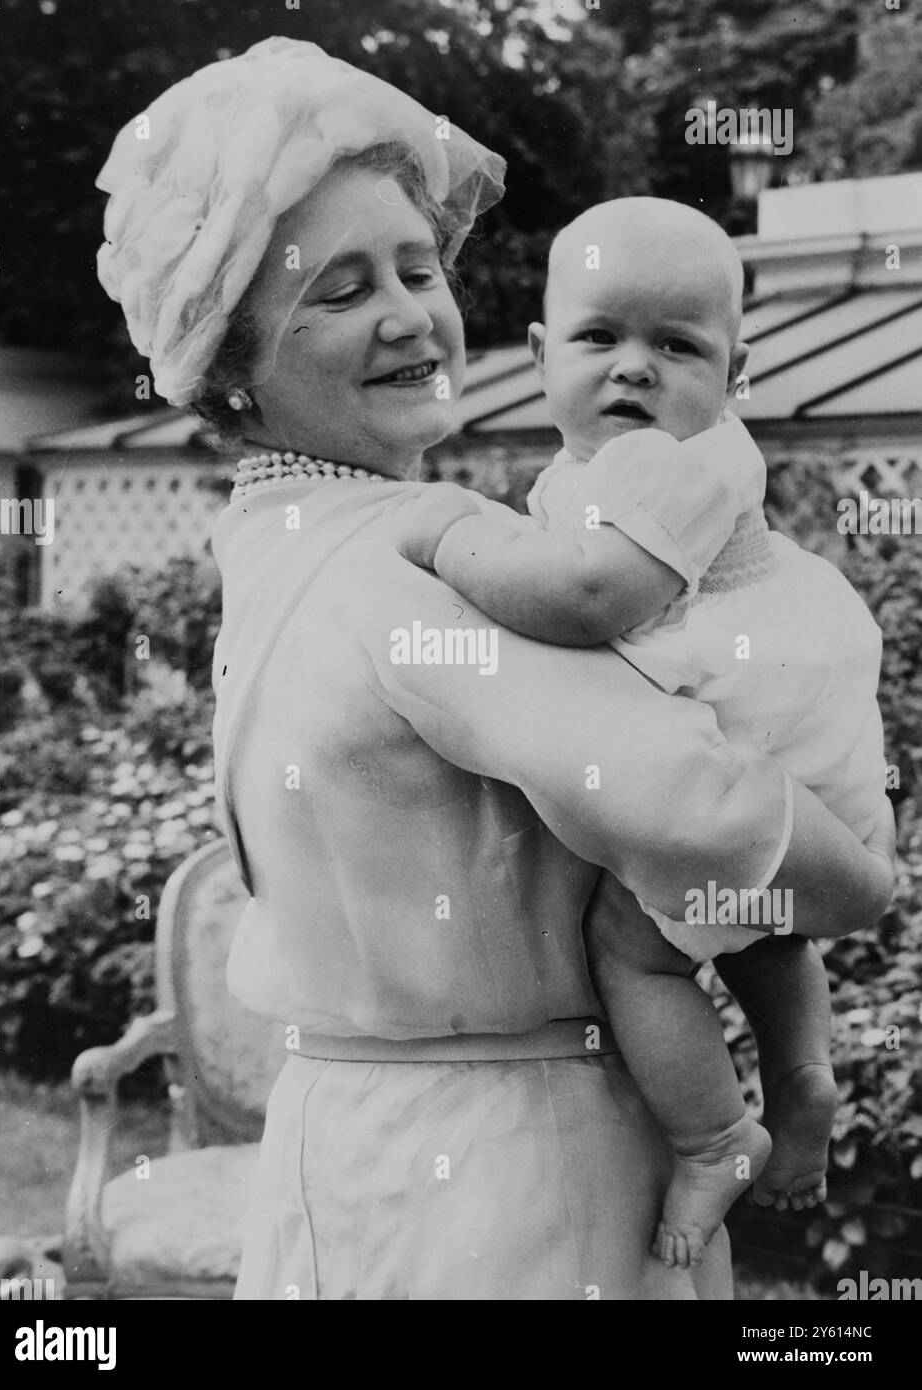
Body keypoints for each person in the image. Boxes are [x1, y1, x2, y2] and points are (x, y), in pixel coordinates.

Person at [95, 38, 894, 1300]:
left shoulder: (271, 549)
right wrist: (864, 884)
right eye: (340, 289)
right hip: (508, 1186)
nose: (412, 314)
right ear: (233, 369)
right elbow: (688, 797)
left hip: (349, 1147)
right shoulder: (412, 565)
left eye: (418, 267)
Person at [396, 197, 893, 1269]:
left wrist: (451, 540)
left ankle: (714, 1137)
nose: (634, 369)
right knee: (766, 925)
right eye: (599, 337)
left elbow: (587, 600)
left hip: (747, 710)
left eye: (676, 345)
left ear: (734, 372)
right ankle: (802, 1072)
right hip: (794, 725)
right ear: (539, 354)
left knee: (637, 954)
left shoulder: (684, 461)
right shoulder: (610, 468)